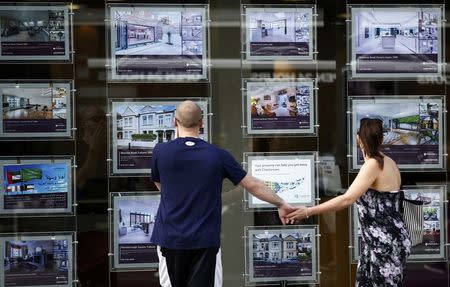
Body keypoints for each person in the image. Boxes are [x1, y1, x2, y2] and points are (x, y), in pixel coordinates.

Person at [150, 100, 295, 287]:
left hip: (169, 238)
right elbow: (254, 185)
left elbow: (160, 184)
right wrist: (281, 203)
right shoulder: (218, 155)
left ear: (173, 121)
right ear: (202, 123)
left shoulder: (160, 152)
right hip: (205, 240)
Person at [286, 118, 411, 286]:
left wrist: (308, 211)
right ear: (381, 139)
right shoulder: (389, 162)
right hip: (390, 240)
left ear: (358, 138)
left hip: (383, 245)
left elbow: (347, 199)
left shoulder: (373, 165)